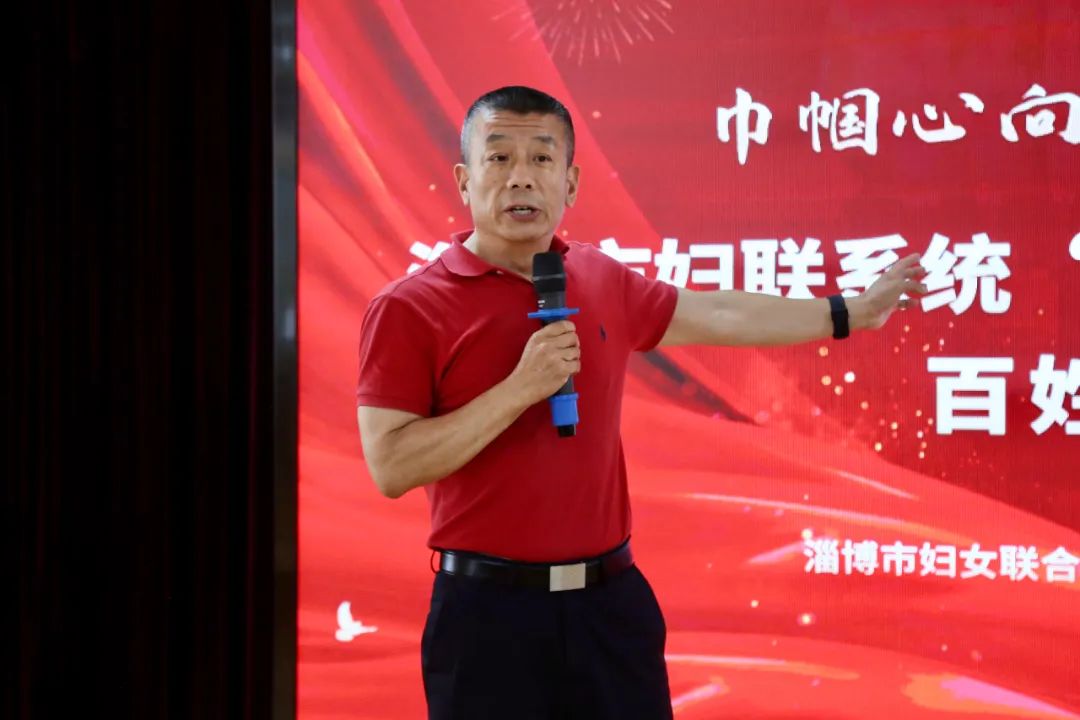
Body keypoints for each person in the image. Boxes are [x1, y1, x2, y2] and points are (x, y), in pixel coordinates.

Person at [356, 86, 928, 720]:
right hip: (488, 620)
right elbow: (392, 465)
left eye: (542, 158)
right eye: (499, 158)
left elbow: (719, 313)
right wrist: (520, 389)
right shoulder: (409, 308)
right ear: (465, 180)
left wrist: (849, 313)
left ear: (571, 183)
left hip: (609, 609)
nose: (521, 177)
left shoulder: (599, 278)